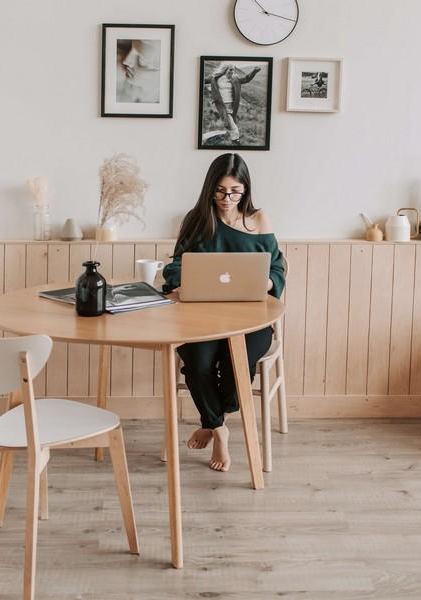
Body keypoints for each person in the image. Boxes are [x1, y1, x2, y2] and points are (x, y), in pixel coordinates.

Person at [162, 153, 285, 472]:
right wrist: (180, 281)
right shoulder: (196, 219)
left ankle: (211, 420)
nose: (227, 198)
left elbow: (277, 266)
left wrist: (268, 280)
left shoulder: (259, 219)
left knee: (237, 363)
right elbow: (176, 265)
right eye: (220, 191)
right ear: (209, 188)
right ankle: (219, 428)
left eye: (235, 191)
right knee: (198, 362)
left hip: (251, 317)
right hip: (200, 316)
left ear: (246, 190)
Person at [205, 63, 262, 142]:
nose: (232, 71)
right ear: (225, 70)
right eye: (230, 69)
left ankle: (225, 137)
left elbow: (246, 79)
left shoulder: (235, 79)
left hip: (232, 106)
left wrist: (254, 71)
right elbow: (203, 80)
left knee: (230, 123)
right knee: (233, 126)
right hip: (222, 105)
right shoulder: (215, 78)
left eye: (233, 70)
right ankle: (235, 141)